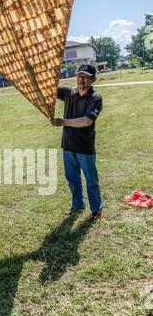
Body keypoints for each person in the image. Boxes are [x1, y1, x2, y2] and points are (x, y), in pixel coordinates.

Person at [52, 63, 103, 220]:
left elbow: (87, 121)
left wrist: (63, 122)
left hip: (84, 147)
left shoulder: (95, 98)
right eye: (79, 75)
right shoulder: (69, 93)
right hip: (68, 145)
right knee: (72, 178)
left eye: (86, 77)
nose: (81, 79)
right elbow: (49, 89)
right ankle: (78, 204)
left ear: (93, 79)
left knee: (91, 180)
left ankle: (96, 209)